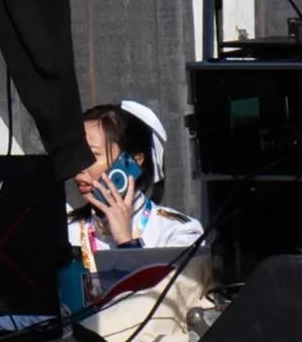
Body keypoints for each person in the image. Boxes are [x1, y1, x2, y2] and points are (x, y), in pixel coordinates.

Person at [69, 100, 205, 257]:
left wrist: (126, 242)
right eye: (77, 154)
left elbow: (178, 282)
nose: (79, 165)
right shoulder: (65, 229)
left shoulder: (178, 231)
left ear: (133, 161)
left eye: (92, 155)